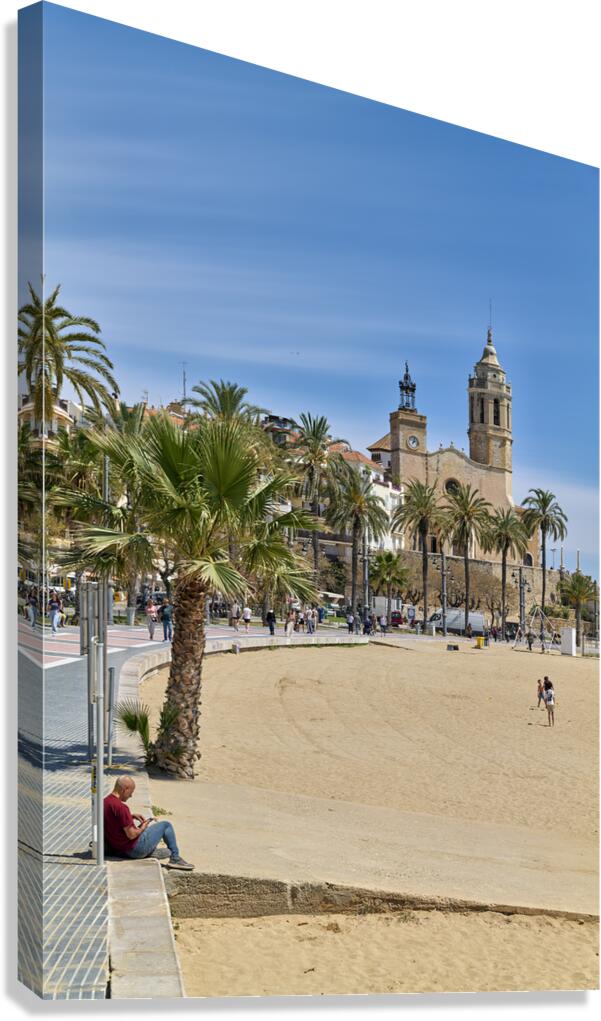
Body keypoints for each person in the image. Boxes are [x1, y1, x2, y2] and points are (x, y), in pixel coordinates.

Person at [103, 776, 193, 870]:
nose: (131, 796)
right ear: (125, 789)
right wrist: (143, 827)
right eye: (131, 792)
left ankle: (155, 852)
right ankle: (175, 858)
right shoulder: (121, 807)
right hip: (133, 849)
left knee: (164, 851)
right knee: (166, 825)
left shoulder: (105, 802)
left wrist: (130, 816)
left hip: (118, 850)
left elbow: (113, 819)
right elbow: (131, 835)